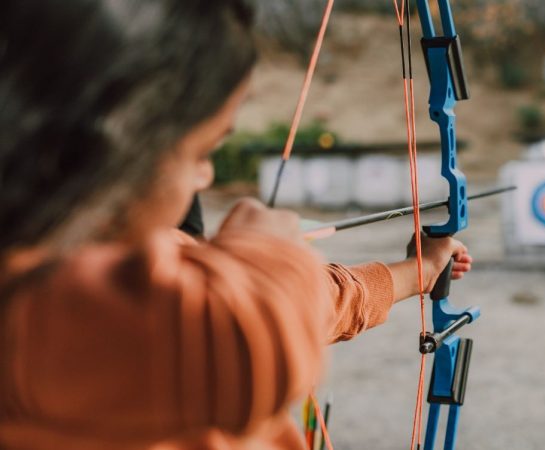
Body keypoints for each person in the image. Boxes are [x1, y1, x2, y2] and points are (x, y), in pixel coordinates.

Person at [0, 0, 473, 448]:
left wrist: (416, 273)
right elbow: (249, 334)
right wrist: (263, 247)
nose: (205, 176)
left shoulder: (120, 268)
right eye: (201, 153)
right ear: (115, 141)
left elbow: (309, 302)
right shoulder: (39, 300)